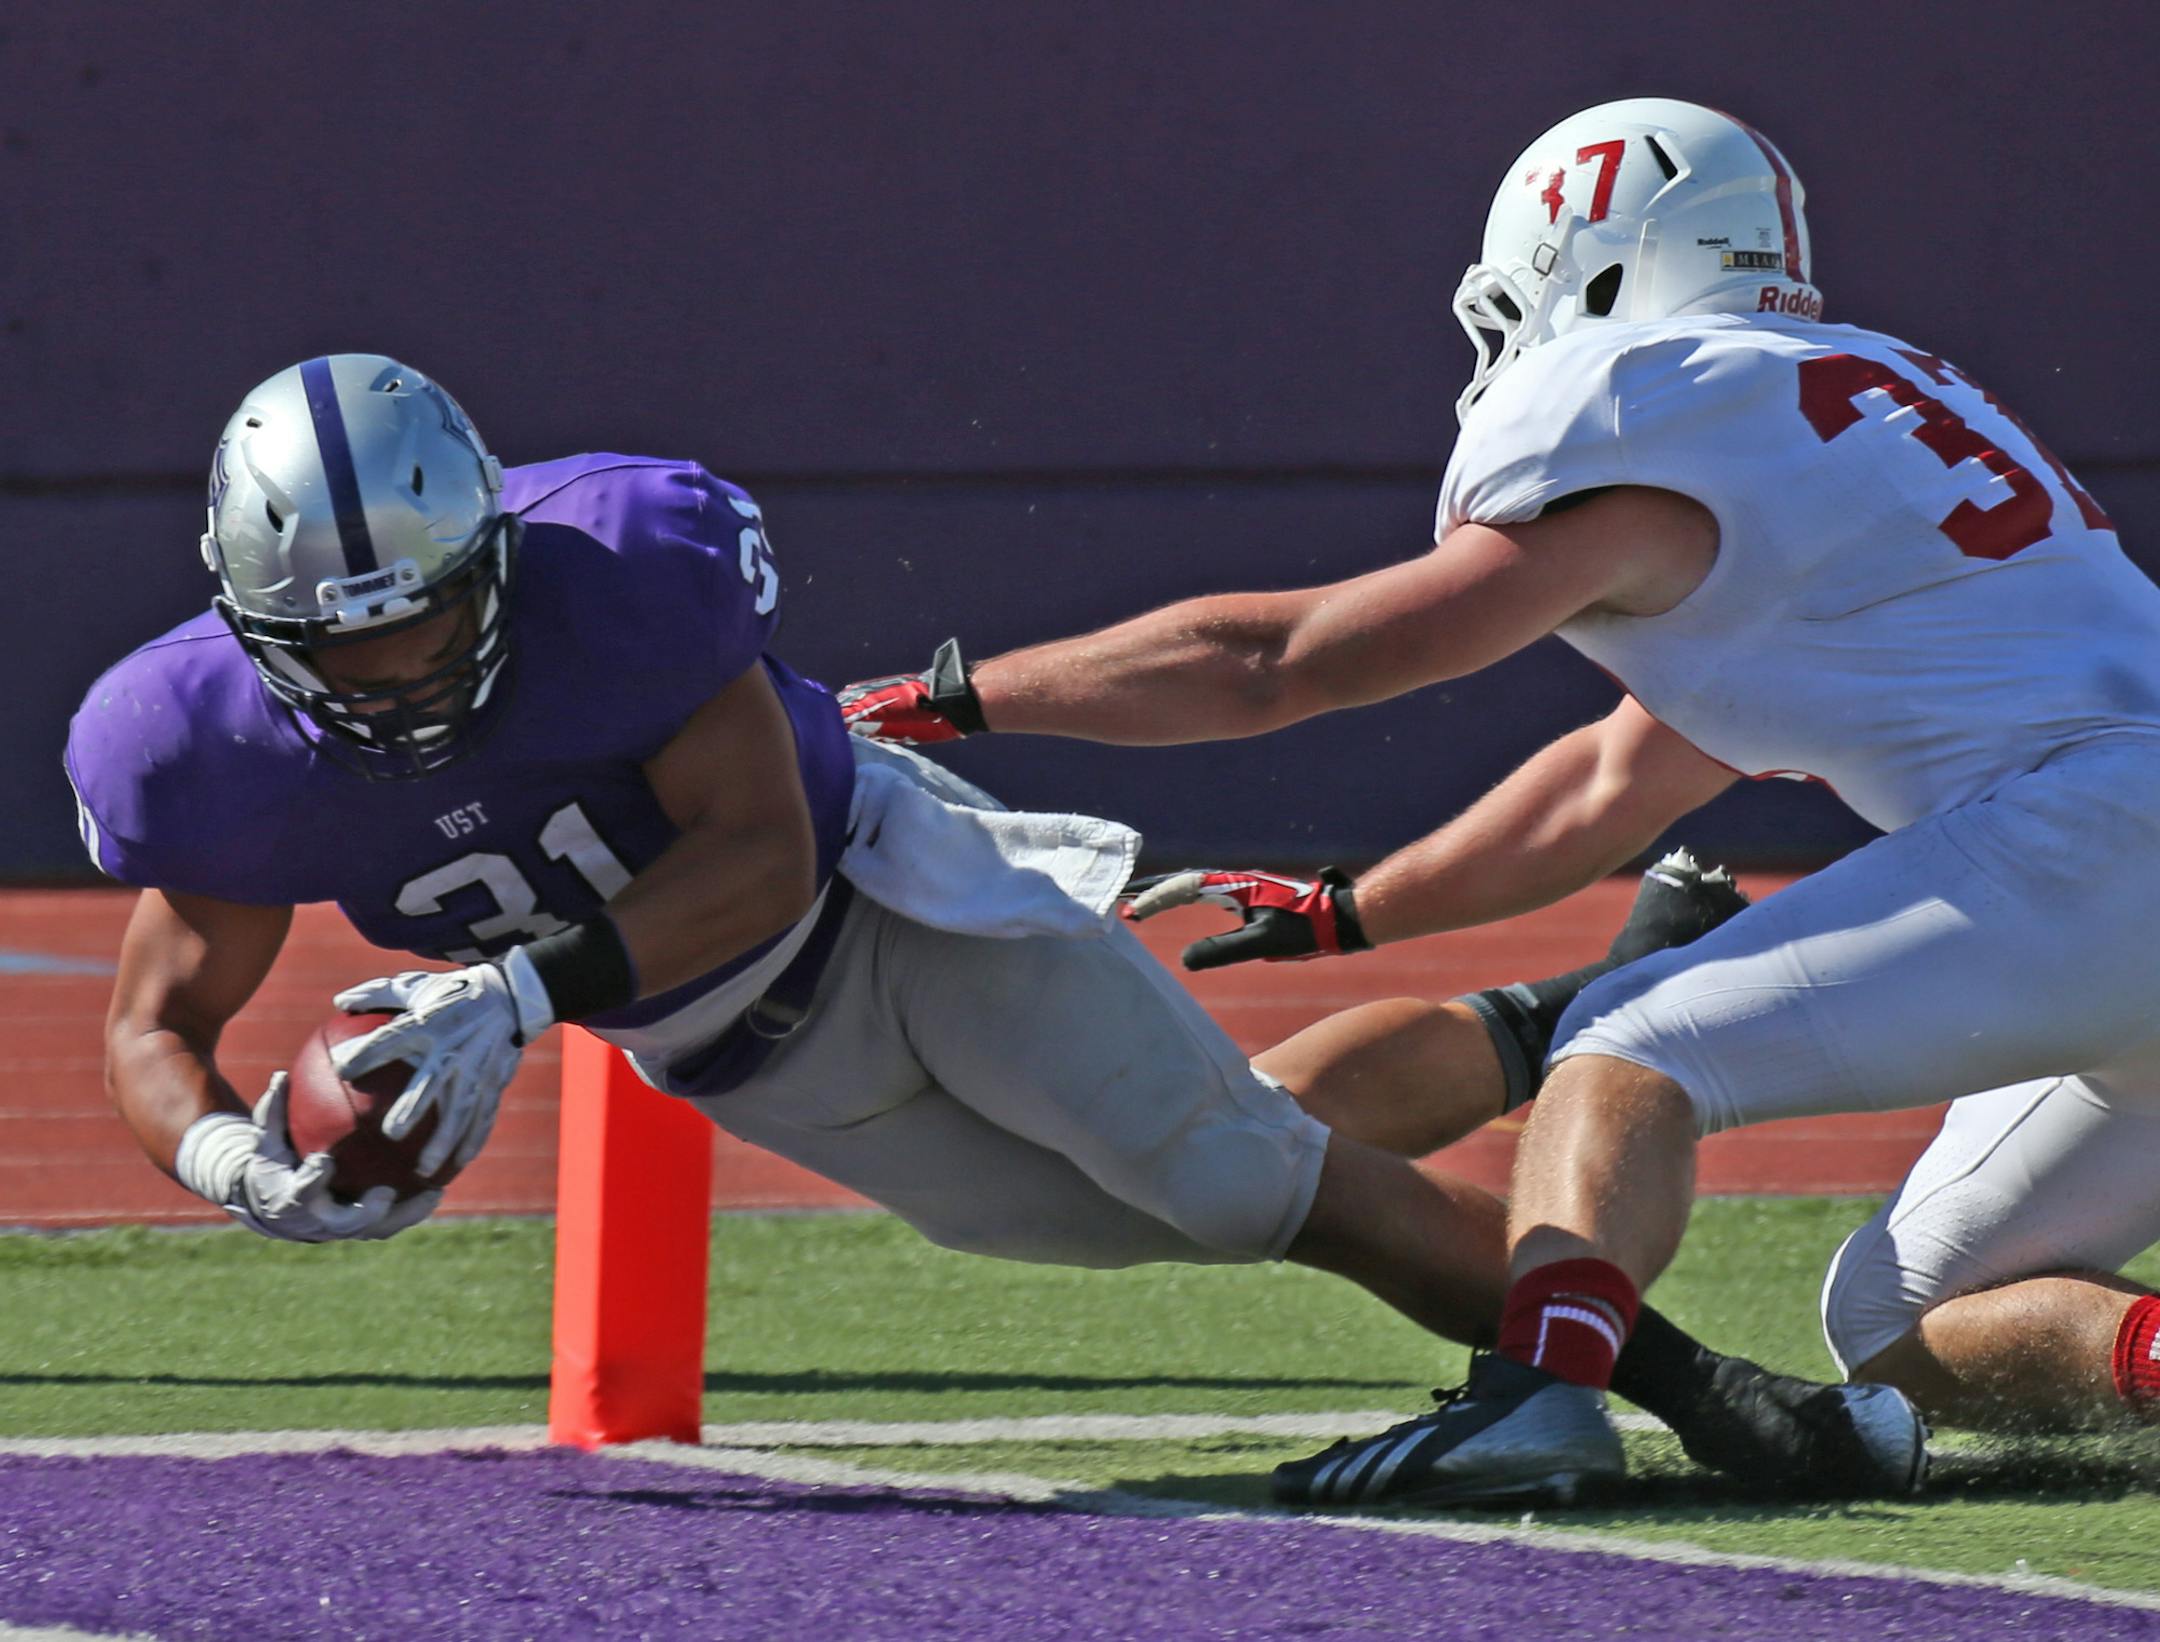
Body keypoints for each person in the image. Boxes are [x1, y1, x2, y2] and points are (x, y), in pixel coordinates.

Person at [64, 352, 1921, 1506]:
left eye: (422, 617)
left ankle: (1674, 1393)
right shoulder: (192, 750)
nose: (392, 670)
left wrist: (524, 988)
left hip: (882, 907)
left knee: (1229, 1169)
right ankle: (1535, 1030)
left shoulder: (622, 575)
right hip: (739, 1056)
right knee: (1162, 1197)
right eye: (344, 638)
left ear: (489, 551)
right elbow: (160, 1023)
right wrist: (234, 1161)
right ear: (247, 621)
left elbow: (761, 857)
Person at [839, 93, 2160, 1505]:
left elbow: (1281, 662)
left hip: (2098, 833)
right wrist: (1356, 910)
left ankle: (1541, 1399)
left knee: (1627, 1050)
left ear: (1587, 263)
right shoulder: (1844, 410)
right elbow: (1601, 787)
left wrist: (955, 694)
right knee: (1898, 1323)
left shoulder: (1660, 426)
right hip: (2108, 848)